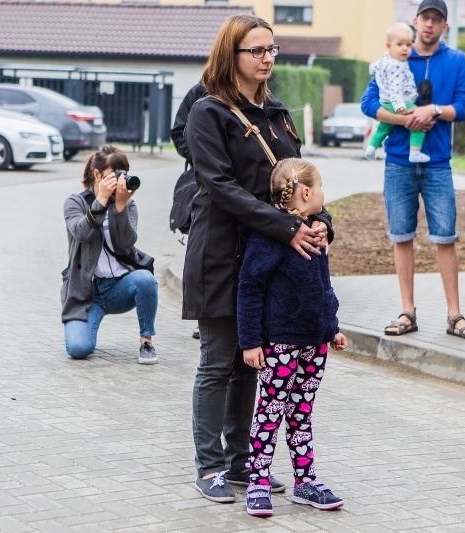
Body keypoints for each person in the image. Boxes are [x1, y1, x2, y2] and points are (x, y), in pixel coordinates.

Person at [182, 13, 333, 504]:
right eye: (257, 50)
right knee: (218, 360)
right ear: (233, 55)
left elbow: (297, 179)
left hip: (272, 258)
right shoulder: (209, 113)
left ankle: (243, 463)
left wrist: (322, 222)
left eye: (272, 50)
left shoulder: (279, 113)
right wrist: (288, 228)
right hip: (223, 253)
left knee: (255, 363)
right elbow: (219, 187)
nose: (268, 58)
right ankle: (210, 467)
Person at [360, 0, 465, 341]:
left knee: (445, 237)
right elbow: (369, 103)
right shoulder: (395, 57)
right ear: (415, 22)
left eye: (436, 20)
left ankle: (454, 315)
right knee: (401, 236)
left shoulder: (456, 60)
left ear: (444, 27)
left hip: (438, 163)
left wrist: (434, 111)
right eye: (424, 18)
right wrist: (406, 119)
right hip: (398, 161)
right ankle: (407, 311)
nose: (429, 24)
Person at [238, 158, 347, 517]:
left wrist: (331, 328)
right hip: (279, 343)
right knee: (270, 412)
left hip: (314, 342)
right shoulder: (269, 237)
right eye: (320, 188)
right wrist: (251, 341)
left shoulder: (317, 230)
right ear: (304, 192)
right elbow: (250, 288)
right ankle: (258, 481)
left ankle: (305, 482)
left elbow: (321, 286)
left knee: (302, 412)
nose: (323, 195)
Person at [61, 145, 159, 364]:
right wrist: (102, 201)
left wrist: (121, 208)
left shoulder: (127, 205)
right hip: (87, 293)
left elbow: (126, 243)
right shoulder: (75, 203)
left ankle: (146, 342)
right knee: (78, 349)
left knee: (146, 279)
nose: (118, 182)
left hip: (119, 287)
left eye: (122, 175)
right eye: (112, 177)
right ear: (97, 175)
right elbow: (82, 233)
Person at [170, 81, 207, 341]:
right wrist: (202, 158)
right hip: (204, 183)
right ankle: (203, 318)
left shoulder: (257, 89)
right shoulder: (200, 91)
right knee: (202, 251)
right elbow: (178, 130)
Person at [365, 22, 430, 164]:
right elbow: (396, 88)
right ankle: (415, 152)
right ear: (389, 46)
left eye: (408, 45)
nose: (405, 49)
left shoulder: (384, 60)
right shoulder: (397, 66)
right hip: (400, 103)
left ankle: (371, 148)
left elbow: (373, 68)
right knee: (419, 121)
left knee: (383, 127)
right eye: (399, 45)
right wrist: (400, 106)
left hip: (385, 103)